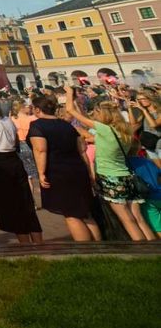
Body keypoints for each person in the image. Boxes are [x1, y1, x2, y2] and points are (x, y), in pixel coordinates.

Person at [64, 89, 156, 241]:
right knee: (139, 219)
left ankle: (142, 251)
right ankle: (153, 248)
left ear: (104, 115)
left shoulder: (104, 130)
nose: (95, 115)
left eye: (98, 113)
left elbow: (71, 111)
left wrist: (68, 94)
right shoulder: (125, 131)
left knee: (128, 220)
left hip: (111, 179)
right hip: (128, 176)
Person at [27, 95, 100, 242]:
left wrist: (41, 173)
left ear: (37, 109)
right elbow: (81, 150)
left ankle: (88, 251)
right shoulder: (67, 125)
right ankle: (99, 245)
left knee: (71, 214)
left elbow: (41, 150)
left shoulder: (38, 126)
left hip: (58, 171)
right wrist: (88, 170)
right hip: (77, 168)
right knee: (85, 212)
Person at [0, 94, 43, 244]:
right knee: (24, 200)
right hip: (13, 158)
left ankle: (24, 241)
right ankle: (38, 240)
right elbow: (14, 140)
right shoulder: (7, 120)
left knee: (10, 203)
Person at [11, 98, 41, 207]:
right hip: (32, 145)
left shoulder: (12, 119)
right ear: (22, 107)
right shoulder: (31, 119)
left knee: (27, 176)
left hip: (19, 146)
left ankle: (31, 202)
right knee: (40, 173)